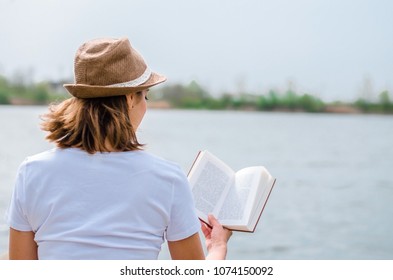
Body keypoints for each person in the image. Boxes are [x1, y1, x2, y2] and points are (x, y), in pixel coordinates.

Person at [6, 37, 231, 260]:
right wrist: (217, 246)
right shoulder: (168, 179)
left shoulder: (31, 173)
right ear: (130, 98)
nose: (146, 106)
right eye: (146, 96)